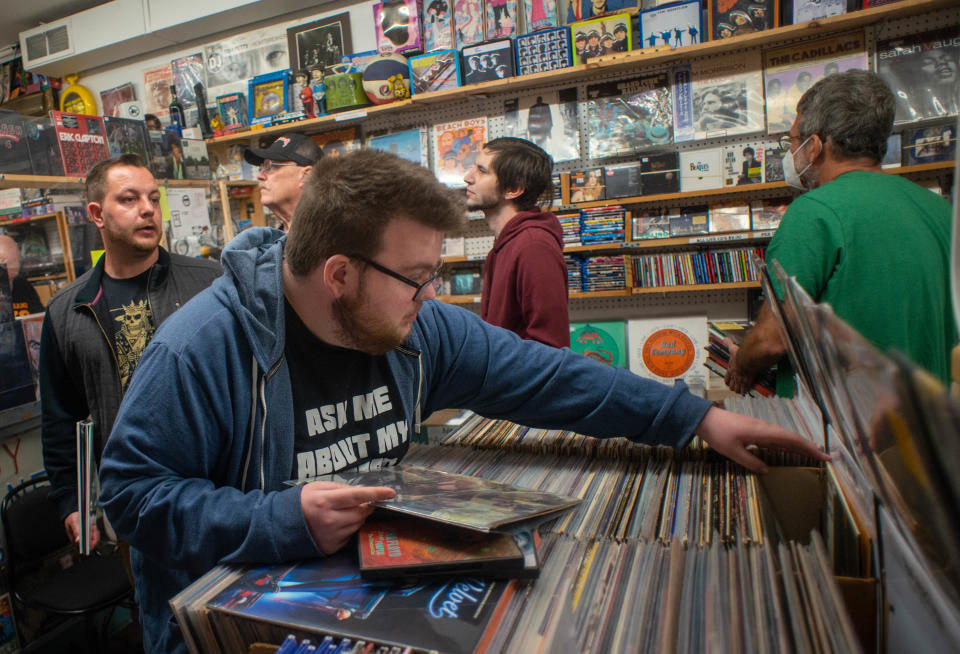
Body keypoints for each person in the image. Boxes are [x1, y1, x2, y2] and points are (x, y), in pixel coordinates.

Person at [99, 149, 825, 654]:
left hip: (375, 608)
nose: (432, 295)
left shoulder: (416, 328)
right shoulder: (198, 348)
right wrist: (282, 519)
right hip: (243, 630)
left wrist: (694, 418)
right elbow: (131, 497)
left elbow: (545, 377)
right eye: (416, 277)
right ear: (340, 274)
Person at [724, 70, 956, 397]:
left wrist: (741, 363)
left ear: (815, 145)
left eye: (791, 141)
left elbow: (771, 340)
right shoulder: (941, 210)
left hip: (854, 434)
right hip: (937, 429)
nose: (790, 154)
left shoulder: (814, 211)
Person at [39, 154, 221, 553]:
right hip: (134, 505)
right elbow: (61, 416)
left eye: (154, 199)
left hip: (221, 490)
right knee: (154, 613)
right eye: (128, 199)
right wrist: (73, 500)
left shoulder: (211, 283)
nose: (147, 209)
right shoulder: (68, 310)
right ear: (96, 213)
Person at [463, 137, 569, 348]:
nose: (467, 177)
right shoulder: (505, 243)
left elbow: (550, 349)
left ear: (513, 189)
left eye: (482, 171)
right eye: (473, 168)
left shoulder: (534, 247)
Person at [244, 133, 323, 231]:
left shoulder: (335, 238)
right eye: (262, 166)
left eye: (269, 166)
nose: (259, 175)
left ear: (306, 176)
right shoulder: (273, 242)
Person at [0, 234, 44, 317]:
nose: (15, 265)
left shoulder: (23, 285)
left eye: (16, 259)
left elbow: (38, 316)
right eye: (6, 260)